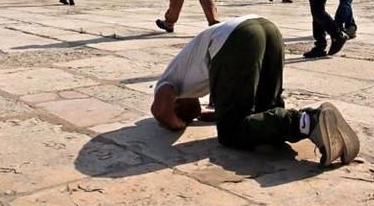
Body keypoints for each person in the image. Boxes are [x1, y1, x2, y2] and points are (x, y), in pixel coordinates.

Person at [150, 15, 360, 167]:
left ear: (176, 103)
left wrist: (176, 125)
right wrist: (218, 113)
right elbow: (224, 84)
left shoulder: (168, 82)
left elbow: (160, 110)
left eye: (184, 115)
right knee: (265, 115)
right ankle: (319, 125)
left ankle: (308, 120)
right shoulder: (191, 77)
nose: (190, 117)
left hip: (238, 40)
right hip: (266, 28)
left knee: (230, 132)